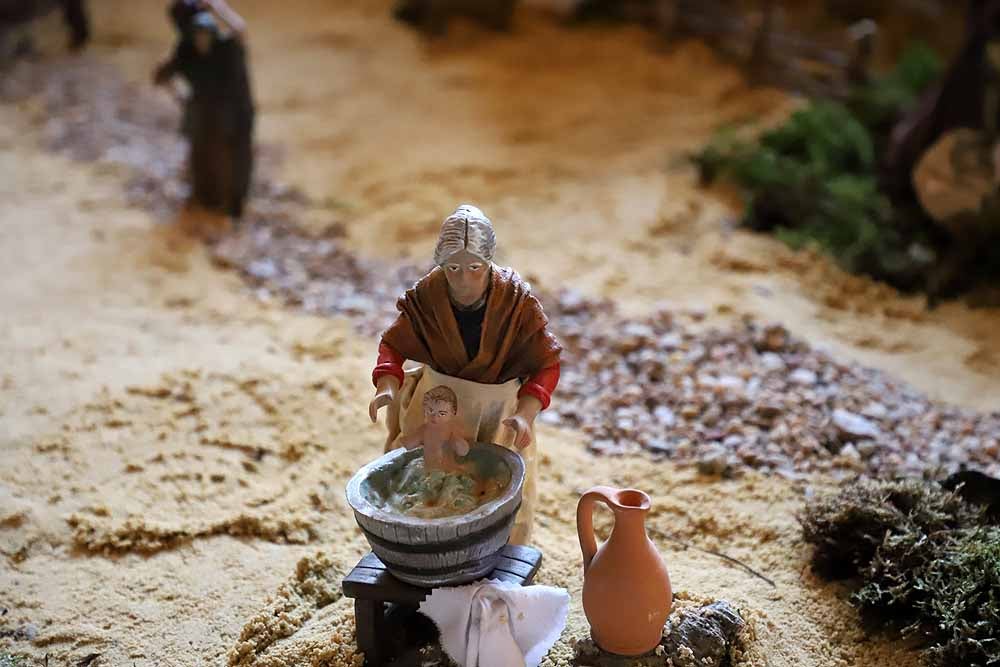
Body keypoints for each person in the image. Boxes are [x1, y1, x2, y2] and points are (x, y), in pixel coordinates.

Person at [369, 204, 561, 545]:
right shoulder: (427, 296)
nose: (463, 279)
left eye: (474, 267)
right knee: (419, 487)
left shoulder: (516, 301)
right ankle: (416, 547)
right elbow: (393, 344)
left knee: (496, 496)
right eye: (453, 268)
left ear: (489, 263)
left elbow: (546, 364)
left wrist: (526, 415)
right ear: (441, 264)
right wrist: (387, 383)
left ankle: (500, 555)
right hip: (433, 406)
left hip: (497, 417)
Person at [153, 0, 254, 231]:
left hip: (235, 112)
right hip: (206, 114)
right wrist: (182, 99)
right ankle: (206, 200)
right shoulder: (185, 50)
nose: (201, 38)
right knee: (203, 160)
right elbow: (160, 76)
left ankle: (232, 208)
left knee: (236, 161)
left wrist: (218, 7)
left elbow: (240, 29)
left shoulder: (226, 46)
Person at [400, 385, 471, 473]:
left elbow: (463, 451)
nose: (435, 417)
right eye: (430, 411)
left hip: (447, 471)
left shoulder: (451, 431)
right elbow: (409, 444)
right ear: (424, 409)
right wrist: (404, 441)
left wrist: (457, 442)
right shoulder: (424, 429)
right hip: (428, 470)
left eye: (442, 414)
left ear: (453, 413)